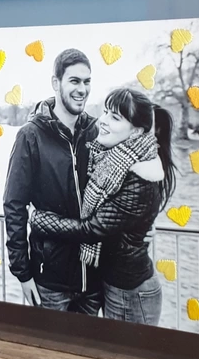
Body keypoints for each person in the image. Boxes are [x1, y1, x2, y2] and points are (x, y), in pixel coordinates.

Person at [28, 88, 176, 326]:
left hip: (130, 291)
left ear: (137, 131)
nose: (103, 121)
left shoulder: (141, 177)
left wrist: (40, 220)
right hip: (113, 284)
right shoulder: (112, 159)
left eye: (115, 118)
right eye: (105, 112)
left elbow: (92, 229)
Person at [3, 48, 101, 314]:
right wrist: (23, 273)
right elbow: (14, 205)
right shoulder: (31, 136)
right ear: (56, 83)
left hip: (93, 282)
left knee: (86, 354)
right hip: (50, 283)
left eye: (87, 81)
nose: (82, 89)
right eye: (74, 81)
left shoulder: (97, 131)